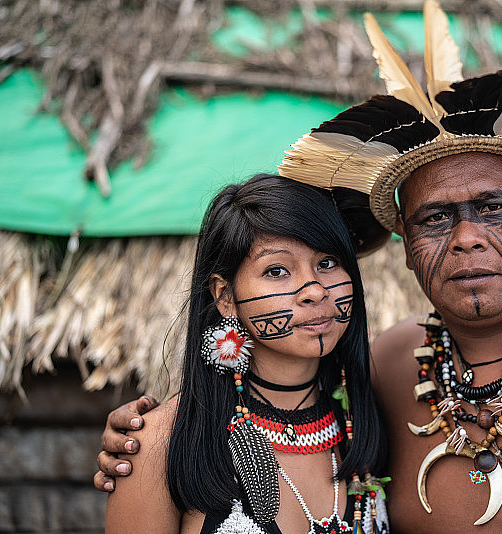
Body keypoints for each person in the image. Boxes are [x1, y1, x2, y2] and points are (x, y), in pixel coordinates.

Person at [97, 2, 502, 532]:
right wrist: (145, 439)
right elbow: (260, 394)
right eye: (436, 219)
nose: (467, 239)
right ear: (405, 239)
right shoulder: (385, 372)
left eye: (493, 208)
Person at [104, 174, 389, 533]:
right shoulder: (160, 444)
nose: (315, 291)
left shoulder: (372, 418)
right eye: (277, 270)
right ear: (225, 297)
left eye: (328, 263)